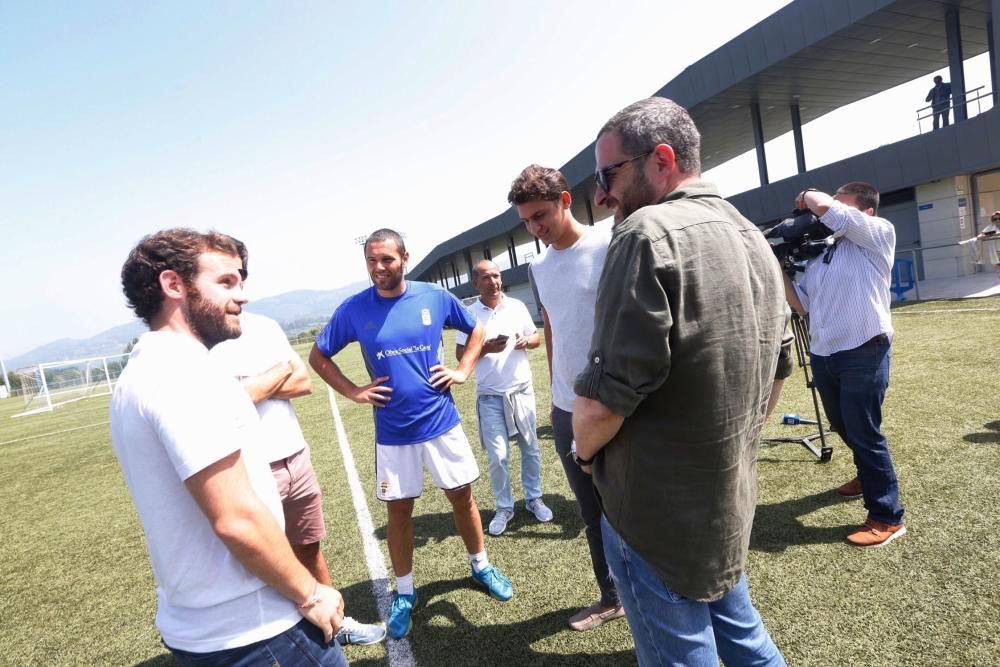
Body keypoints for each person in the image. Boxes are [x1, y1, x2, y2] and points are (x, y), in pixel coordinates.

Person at [574, 97, 787, 666]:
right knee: (746, 644)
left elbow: (600, 404)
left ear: (661, 159)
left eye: (608, 173)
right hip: (726, 498)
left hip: (654, 513)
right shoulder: (752, 233)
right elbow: (777, 371)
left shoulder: (645, 234)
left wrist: (587, 457)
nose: (600, 194)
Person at [110, 228, 348, 666]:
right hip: (259, 631)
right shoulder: (183, 373)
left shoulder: (141, 372)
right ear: (173, 285)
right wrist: (311, 592)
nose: (243, 295)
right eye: (226, 281)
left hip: (206, 631)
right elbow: (236, 518)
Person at [308, 228, 513, 641]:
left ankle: (480, 565)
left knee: (462, 497)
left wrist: (462, 370)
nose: (378, 268)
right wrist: (353, 391)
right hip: (394, 432)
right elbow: (318, 355)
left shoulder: (433, 297)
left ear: (404, 257)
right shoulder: (353, 310)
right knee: (399, 511)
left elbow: (474, 331)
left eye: (386, 259)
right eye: (371, 261)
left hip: (441, 423)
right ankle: (405, 592)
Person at [210, 243, 386, 647]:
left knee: (308, 548)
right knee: (264, 559)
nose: (237, 291)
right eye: (224, 280)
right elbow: (228, 401)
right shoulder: (204, 340)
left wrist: (253, 384)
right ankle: (283, 636)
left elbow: (303, 381)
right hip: (250, 466)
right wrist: (275, 375)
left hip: (295, 457)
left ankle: (338, 624)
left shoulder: (266, 327)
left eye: (238, 278)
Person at [509, 164, 624, 632]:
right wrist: (559, 390)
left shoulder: (611, 243)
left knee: (637, 505)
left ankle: (662, 593)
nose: (535, 228)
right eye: (526, 222)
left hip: (617, 401)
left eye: (541, 216)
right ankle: (611, 595)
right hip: (566, 408)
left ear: (564, 201)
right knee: (592, 510)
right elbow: (553, 326)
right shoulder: (537, 267)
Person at [784, 183, 906, 548]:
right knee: (841, 424)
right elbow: (802, 305)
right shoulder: (820, 254)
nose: (825, 214)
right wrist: (779, 268)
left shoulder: (878, 234)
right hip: (825, 352)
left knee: (864, 431)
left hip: (864, 348)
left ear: (863, 213)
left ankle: (887, 517)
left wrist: (808, 195)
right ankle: (868, 476)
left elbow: (826, 208)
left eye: (841, 205)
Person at [454, 259, 551, 536]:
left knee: (530, 448)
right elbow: (462, 355)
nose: (493, 282)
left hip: (521, 391)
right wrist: (484, 348)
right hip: (490, 396)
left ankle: (534, 499)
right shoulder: (469, 314)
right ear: (475, 283)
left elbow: (536, 338)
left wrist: (525, 341)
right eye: (486, 277)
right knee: (498, 456)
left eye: (496, 276)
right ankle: (504, 507)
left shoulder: (517, 306)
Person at [975, 211, 1000, 278]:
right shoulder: (991, 227)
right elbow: (981, 235)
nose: (997, 220)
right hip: (996, 252)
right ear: (993, 220)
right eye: (995, 219)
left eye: (999, 218)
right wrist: (981, 236)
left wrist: (992, 234)